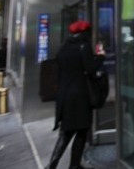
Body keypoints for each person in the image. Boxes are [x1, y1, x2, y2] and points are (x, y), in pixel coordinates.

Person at [45, 20, 105, 169]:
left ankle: (51, 165)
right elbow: (90, 69)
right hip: (79, 97)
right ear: (86, 33)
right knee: (81, 131)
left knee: (65, 132)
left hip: (64, 96)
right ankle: (74, 165)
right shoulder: (83, 46)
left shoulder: (63, 47)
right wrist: (100, 56)